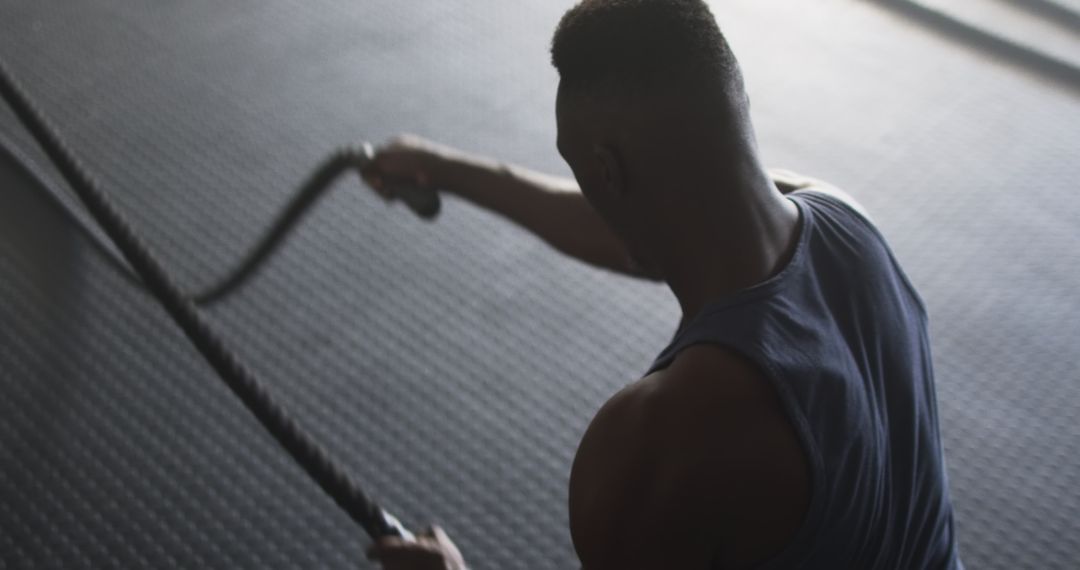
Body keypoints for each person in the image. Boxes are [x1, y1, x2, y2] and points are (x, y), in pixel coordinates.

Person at [361, 1, 962, 568]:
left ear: (608, 172)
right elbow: (635, 216)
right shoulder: (847, 224)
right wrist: (441, 168)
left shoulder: (655, 444)